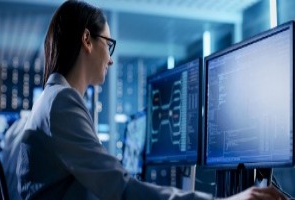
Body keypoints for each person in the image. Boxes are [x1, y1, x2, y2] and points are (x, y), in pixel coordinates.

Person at [16, 1, 286, 200]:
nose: (110, 59)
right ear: (87, 39)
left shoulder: (54, 100)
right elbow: (120, 189)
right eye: (108, 44)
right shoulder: (61, 102)